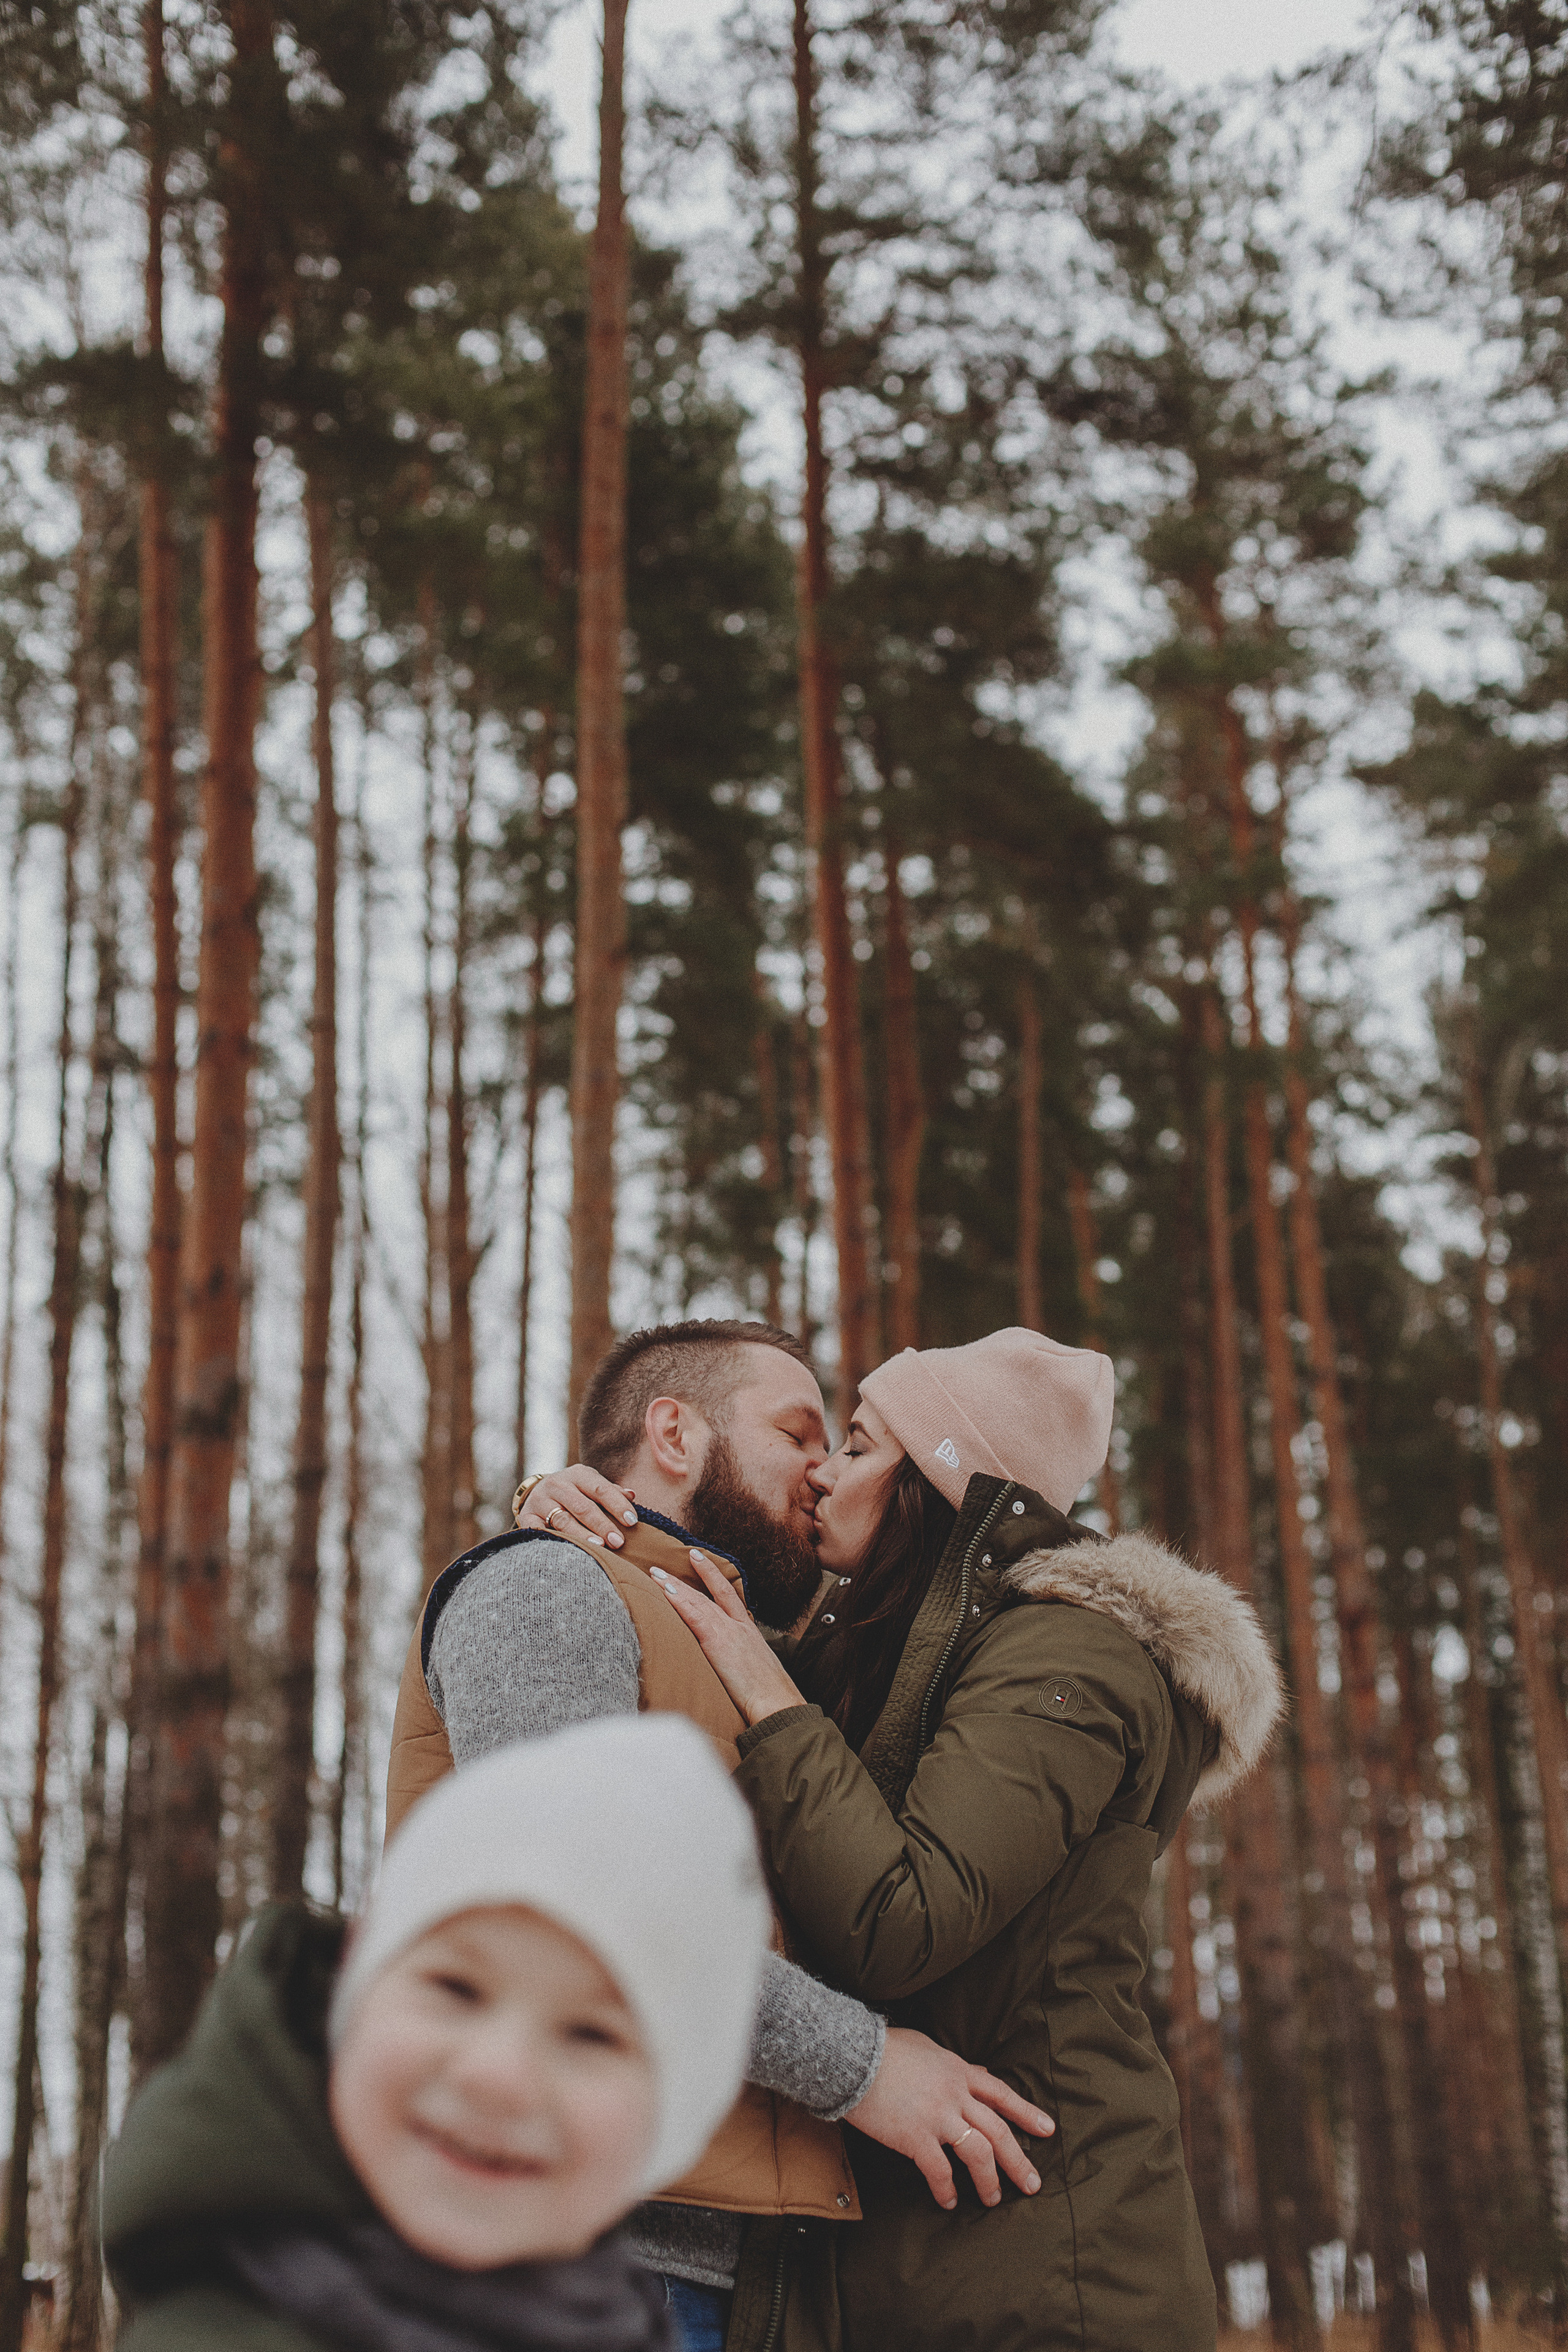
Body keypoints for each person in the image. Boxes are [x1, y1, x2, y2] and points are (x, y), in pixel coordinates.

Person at [533, 1327, 1286, 2352]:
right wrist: (582, 1505)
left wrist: (763, 1683)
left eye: (853, 1443)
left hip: (1051, 2266)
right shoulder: (881, 1662)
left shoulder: (1069, 1654)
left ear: (937, 1478)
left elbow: (903, 1919)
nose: (820, 1473)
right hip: (926, 2252)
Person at [386, 1319, 1051, 2352]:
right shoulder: (550, 1587)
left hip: (726, 2271)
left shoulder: (754, 1661)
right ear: (675, 1435)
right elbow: (586, 1918)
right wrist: (868, 2070)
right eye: (799, 1433)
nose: (825, 1471)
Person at [102, 1716, 772, 2352]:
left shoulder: (613, 2321)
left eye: (592, 2036)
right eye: (457, 1989)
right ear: (353, 1993)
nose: (498, 2074)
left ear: (677, 2115)